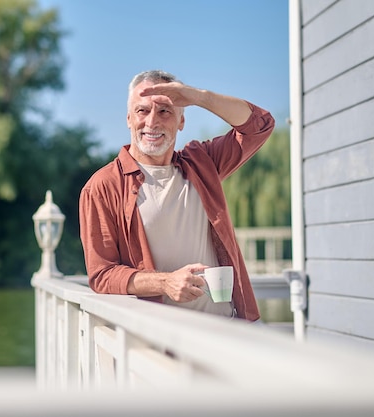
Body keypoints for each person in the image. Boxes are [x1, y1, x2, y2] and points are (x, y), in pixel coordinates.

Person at [79, 70, 275, 321]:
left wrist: (199, 97)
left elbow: (260, 125)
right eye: (142, 111)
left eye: (165, 111)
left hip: (227, 332)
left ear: (181, 121)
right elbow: (103, 274)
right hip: (161, 341)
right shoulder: (102, 186)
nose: (152, 122)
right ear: (128, 118)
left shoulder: (202, 163)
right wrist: (165, 282)